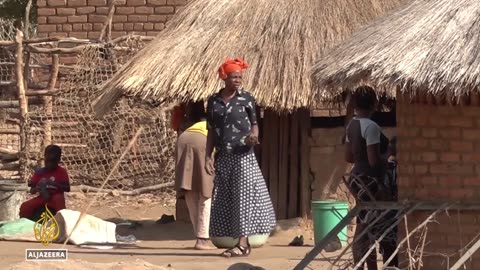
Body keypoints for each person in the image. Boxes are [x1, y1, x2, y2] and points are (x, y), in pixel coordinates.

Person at [205, 58, 276, 258]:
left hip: (243, 155)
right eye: (233, 77)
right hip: (223, 157)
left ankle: (243, 244)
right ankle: (234, 239)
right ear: (224, 78)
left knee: (243, 197)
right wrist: (207, 156)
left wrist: (254, 137)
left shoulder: (247, 99)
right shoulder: (213, 102)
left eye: (239, 77)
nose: (237, 80)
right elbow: (211, 130)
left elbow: (254, 124)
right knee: (226, 197)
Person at [345, 86, 394, 270]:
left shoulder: (352, 125)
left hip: (357, 179)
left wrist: (360, 157)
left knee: (365, 222)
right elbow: (374, 161)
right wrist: (388, 154)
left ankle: (366, 265)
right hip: (370, 181)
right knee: (368, 226)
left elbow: (348, 157)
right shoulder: (371, 127)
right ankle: (361, 265)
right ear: (374, 104)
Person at [174, 100, 216, 250]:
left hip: (183, 139)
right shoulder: (219, 123)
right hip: (201, 142)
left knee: (190, 190)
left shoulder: (195, 122)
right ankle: (202, 239)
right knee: (206, 194)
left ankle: (199, 236)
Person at [19, 145, 70, 221]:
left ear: (58, 160)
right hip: (42, 197)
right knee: (25, 206)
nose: (50, 164)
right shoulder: (39, 172)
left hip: (55, 197)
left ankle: (62, 222)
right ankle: (26, 224)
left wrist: (53, 183)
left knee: (59, 201)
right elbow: (32, 191)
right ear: (44, 158)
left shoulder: (61, 172)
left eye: (53, 161)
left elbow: (67, 188)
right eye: (47, 160)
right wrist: (37, 188)